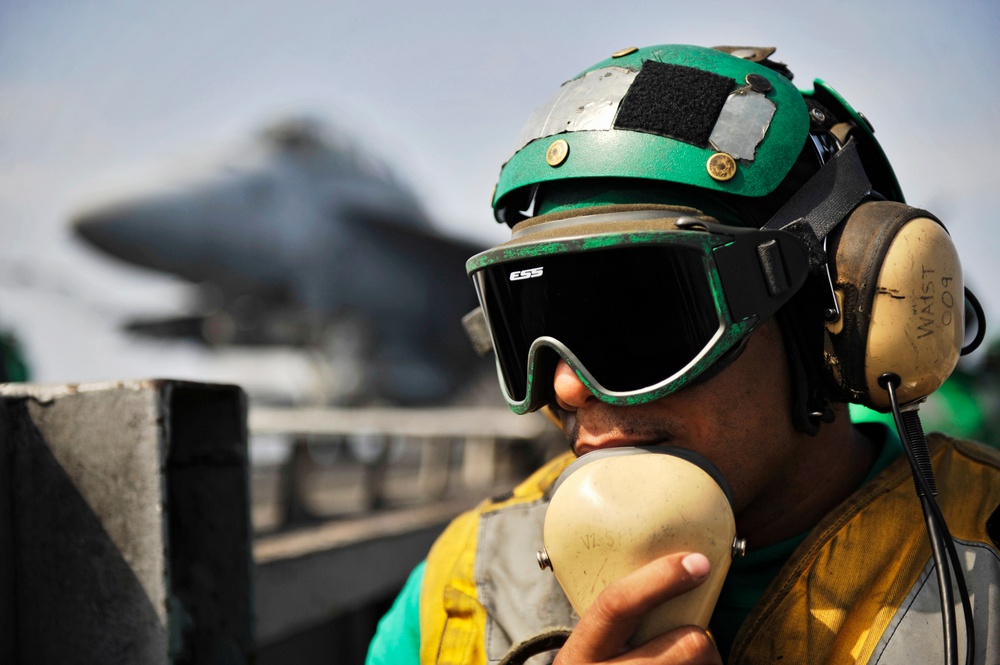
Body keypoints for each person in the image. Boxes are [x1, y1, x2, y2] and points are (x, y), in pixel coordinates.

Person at [367, 43, 1000, 665]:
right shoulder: (456, 594)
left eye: (639, 316)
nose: (565, 386)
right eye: (532, 324)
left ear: (828, 316)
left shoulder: (985, 557)